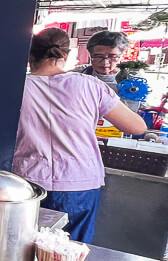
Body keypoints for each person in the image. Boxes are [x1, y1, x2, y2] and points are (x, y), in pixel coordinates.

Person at [13, 28, 145, 244]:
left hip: (27, 182)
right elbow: (136, 127)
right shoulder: (91, 85)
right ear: (65, 55)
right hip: (79, 183)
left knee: (22, 250)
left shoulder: (16, 86)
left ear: (29, 56)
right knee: (68, 255)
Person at [71, 30, 138, 110]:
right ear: (90, 55)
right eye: (98, 56)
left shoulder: (133, 78)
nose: (105, 62)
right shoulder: (77, 74)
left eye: (112, 56)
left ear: (121, 55)